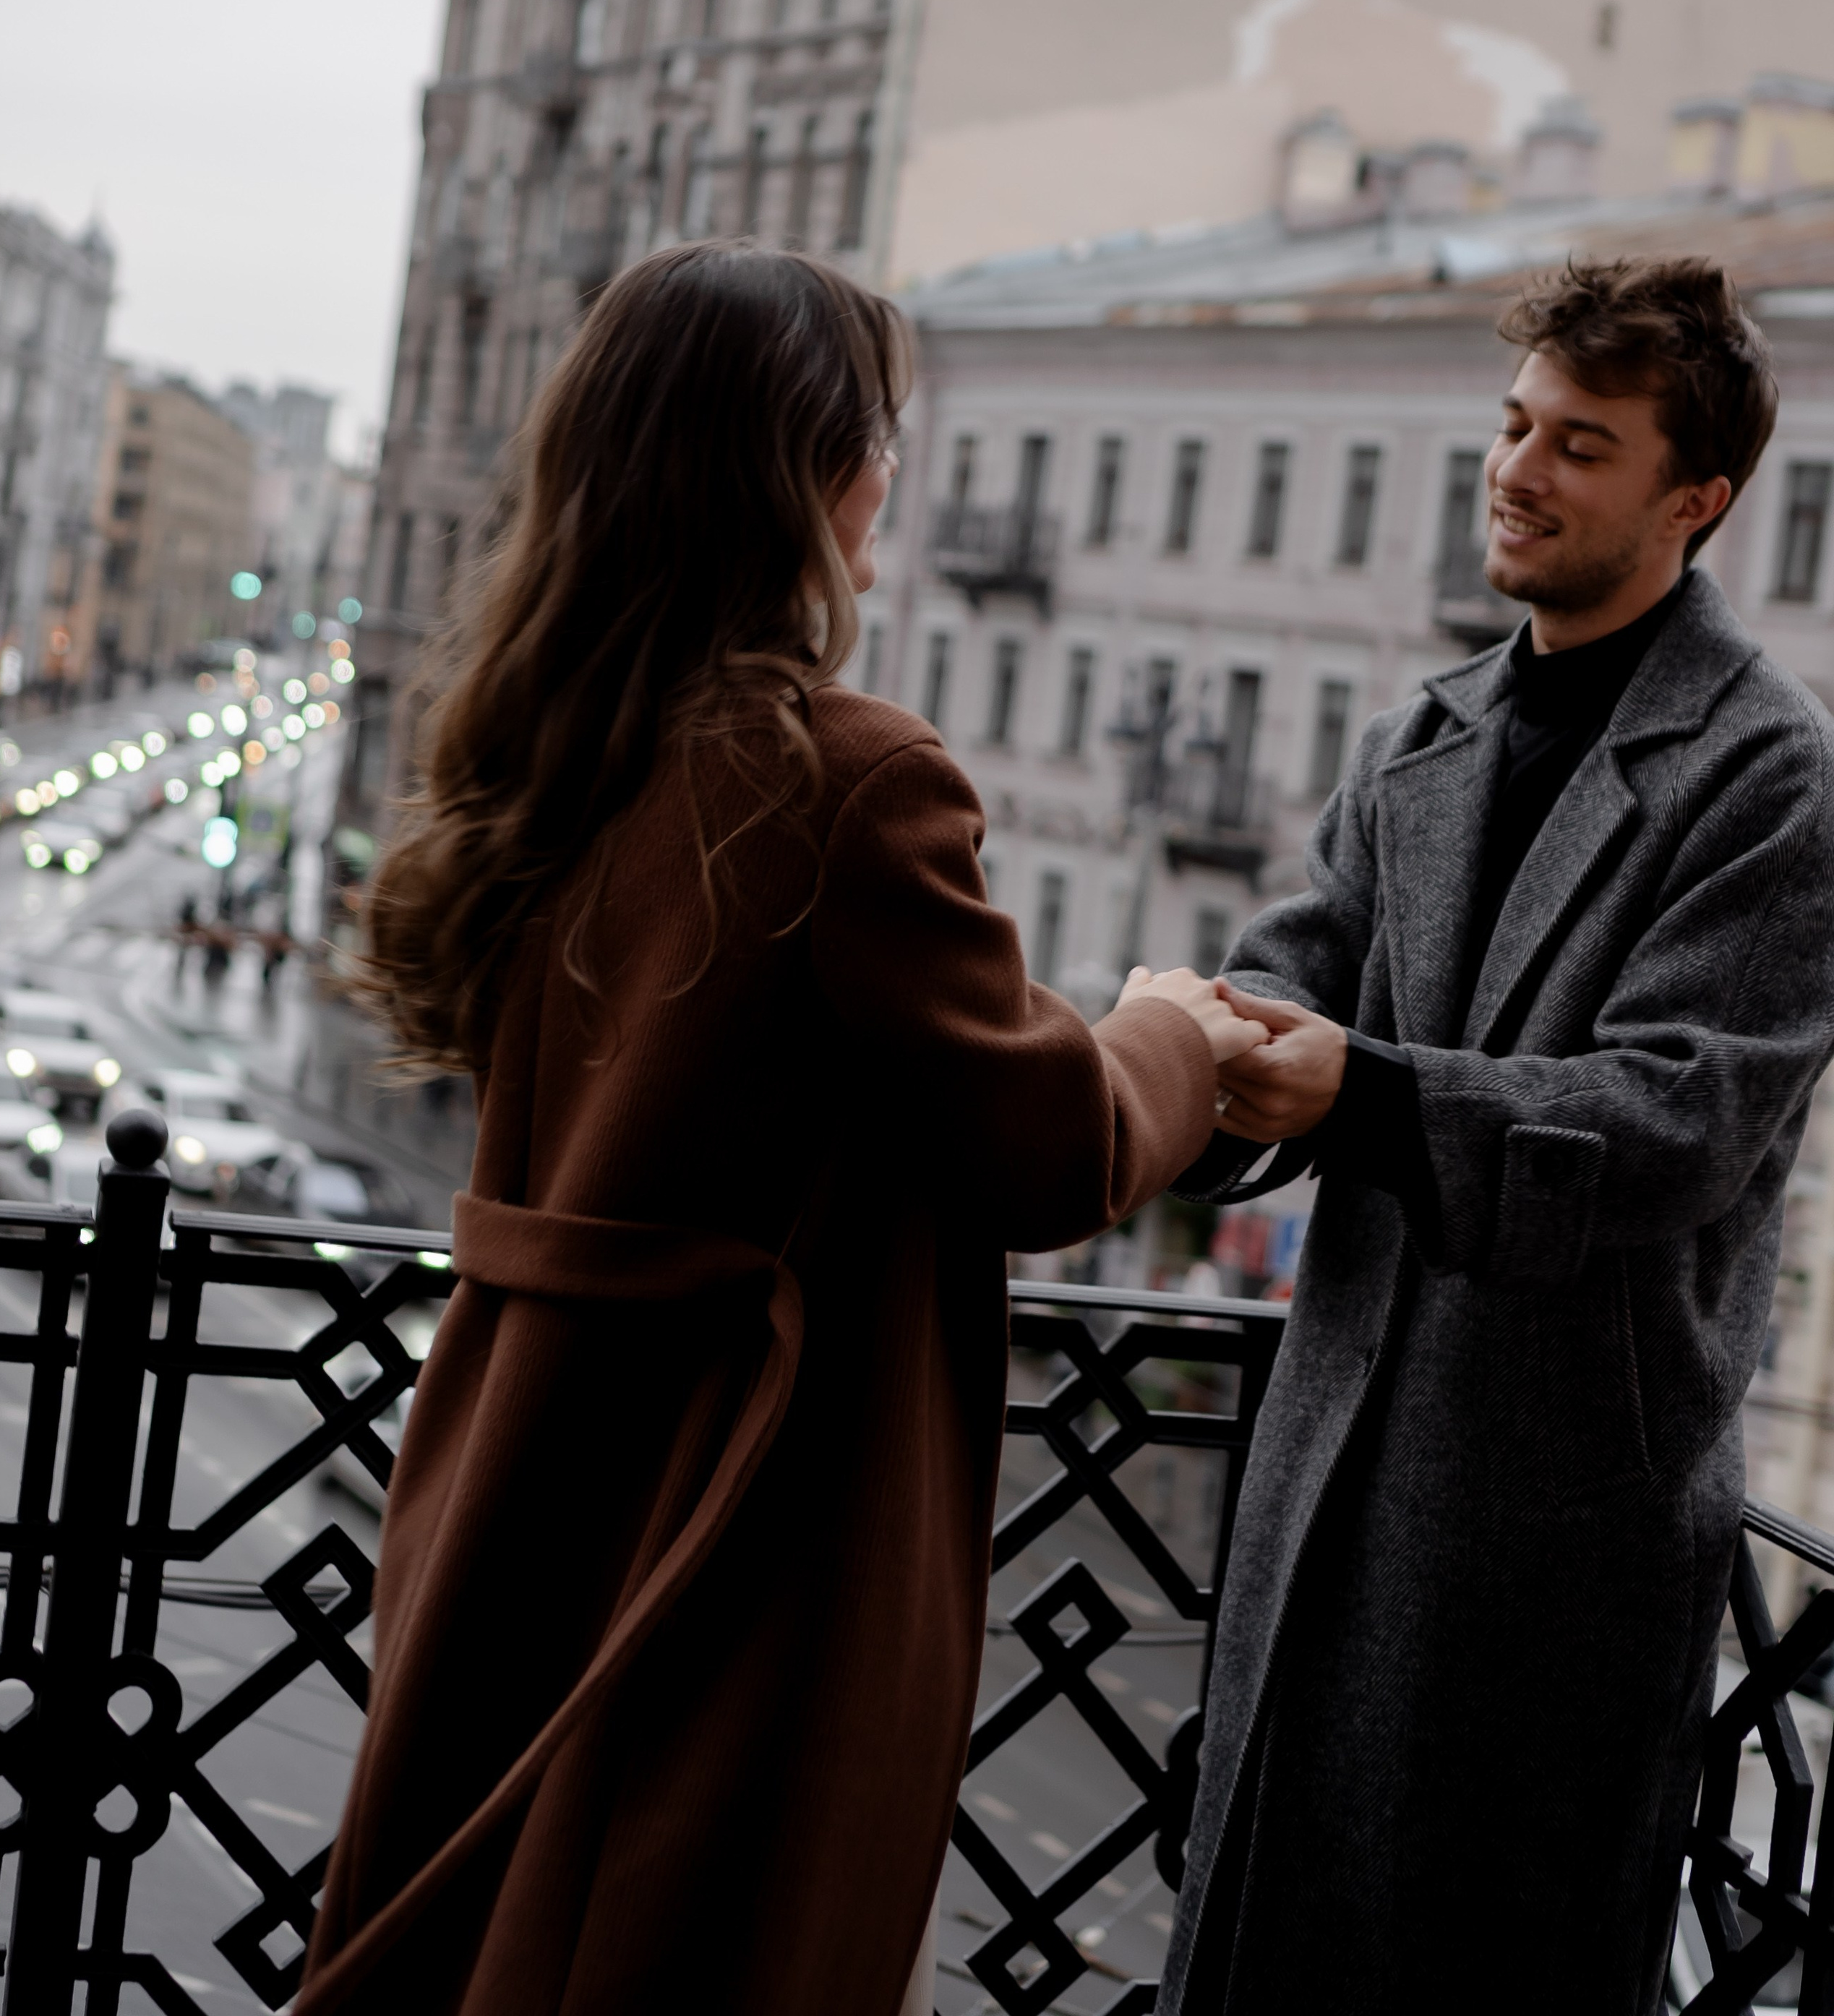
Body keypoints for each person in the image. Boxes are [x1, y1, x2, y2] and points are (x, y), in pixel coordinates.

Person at [295, 241, 1265, 2016]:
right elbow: (1044, 1144)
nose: (893, 474)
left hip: (520, 1478)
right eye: (877, 434)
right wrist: (1170, 1036)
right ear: (802, 466)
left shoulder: (561, 739)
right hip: (724, 1536)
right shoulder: (846, 776)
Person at [1160, 258, 1834, 2016]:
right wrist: (1170, 1059)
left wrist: (1362, 1095)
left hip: (1552, 1522)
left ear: (1695, 499)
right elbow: (1284, 975)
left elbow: (1677, 1117)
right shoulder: (1420, 735)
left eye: (1579, 445)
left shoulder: (1767, 775)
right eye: (1511, 424)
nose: (1515, 470)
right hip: (1325, 1474)